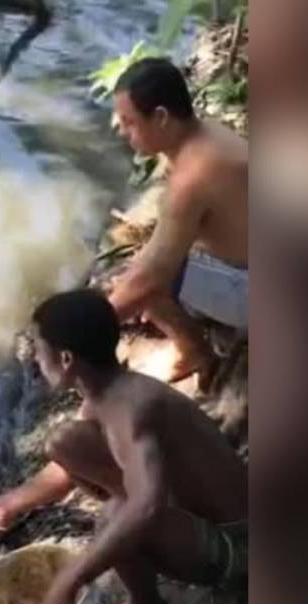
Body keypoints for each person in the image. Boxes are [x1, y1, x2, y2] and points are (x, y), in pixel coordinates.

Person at [0, 289, 247, 604]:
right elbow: (66, 467)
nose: (36, 361)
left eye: (39, 350)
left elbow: (146, 505)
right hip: (199, 523)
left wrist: (70, 578)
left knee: (117, 513)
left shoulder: (135, 409)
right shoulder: (105, 396)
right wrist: (10, 503)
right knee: (64, 441)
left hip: (239, 549)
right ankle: (144, 596)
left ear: (66, 358)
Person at [106, 58, 248, 383]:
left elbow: (148, 279)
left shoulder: (192, 178)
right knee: (147, 268)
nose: (121, 130)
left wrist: (87, 332)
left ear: (161, 118)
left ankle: (193, 351)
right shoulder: (208, 132)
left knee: (140, 282)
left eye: (129, 122)